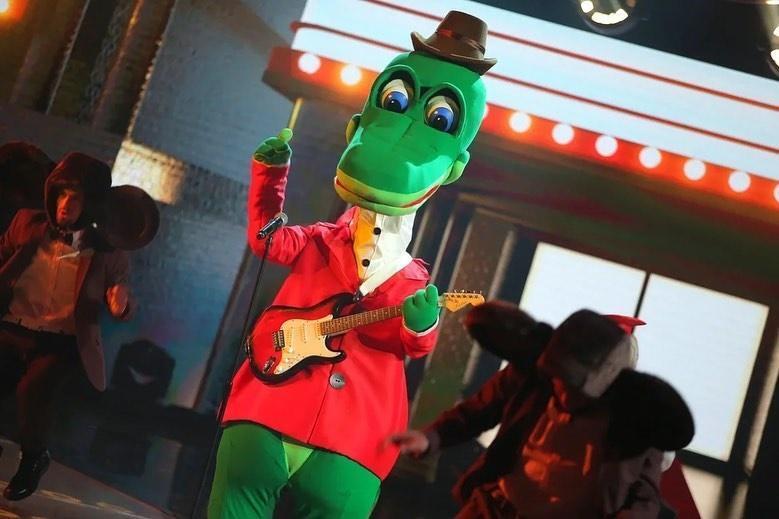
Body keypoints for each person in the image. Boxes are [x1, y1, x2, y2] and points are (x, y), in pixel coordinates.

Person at [208, 11, 496, 519]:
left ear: (456, 166)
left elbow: (413, 343)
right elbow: (268, 241)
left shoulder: (410, 279)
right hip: (273, 405)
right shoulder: (319, 240)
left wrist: (422, 322)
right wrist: (271, 177)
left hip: (351, 437)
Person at [391, 302, 695, 518]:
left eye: (574, 386)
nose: (561, 391)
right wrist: (430, 438)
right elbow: (479, 410)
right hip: (496, 507)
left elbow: (644, 496)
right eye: (558, 380)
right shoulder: (534, 374)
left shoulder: (634, 422)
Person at [0, 152, 136, 501]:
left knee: (33, 391)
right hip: (13, 326)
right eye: (61, 194)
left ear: (92, 204)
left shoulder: (107, 250)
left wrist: (118, 301)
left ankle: (33, 458)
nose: (66, 205)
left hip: (59, 341)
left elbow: (121, 290)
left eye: (76, 198)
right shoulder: (26, 223)